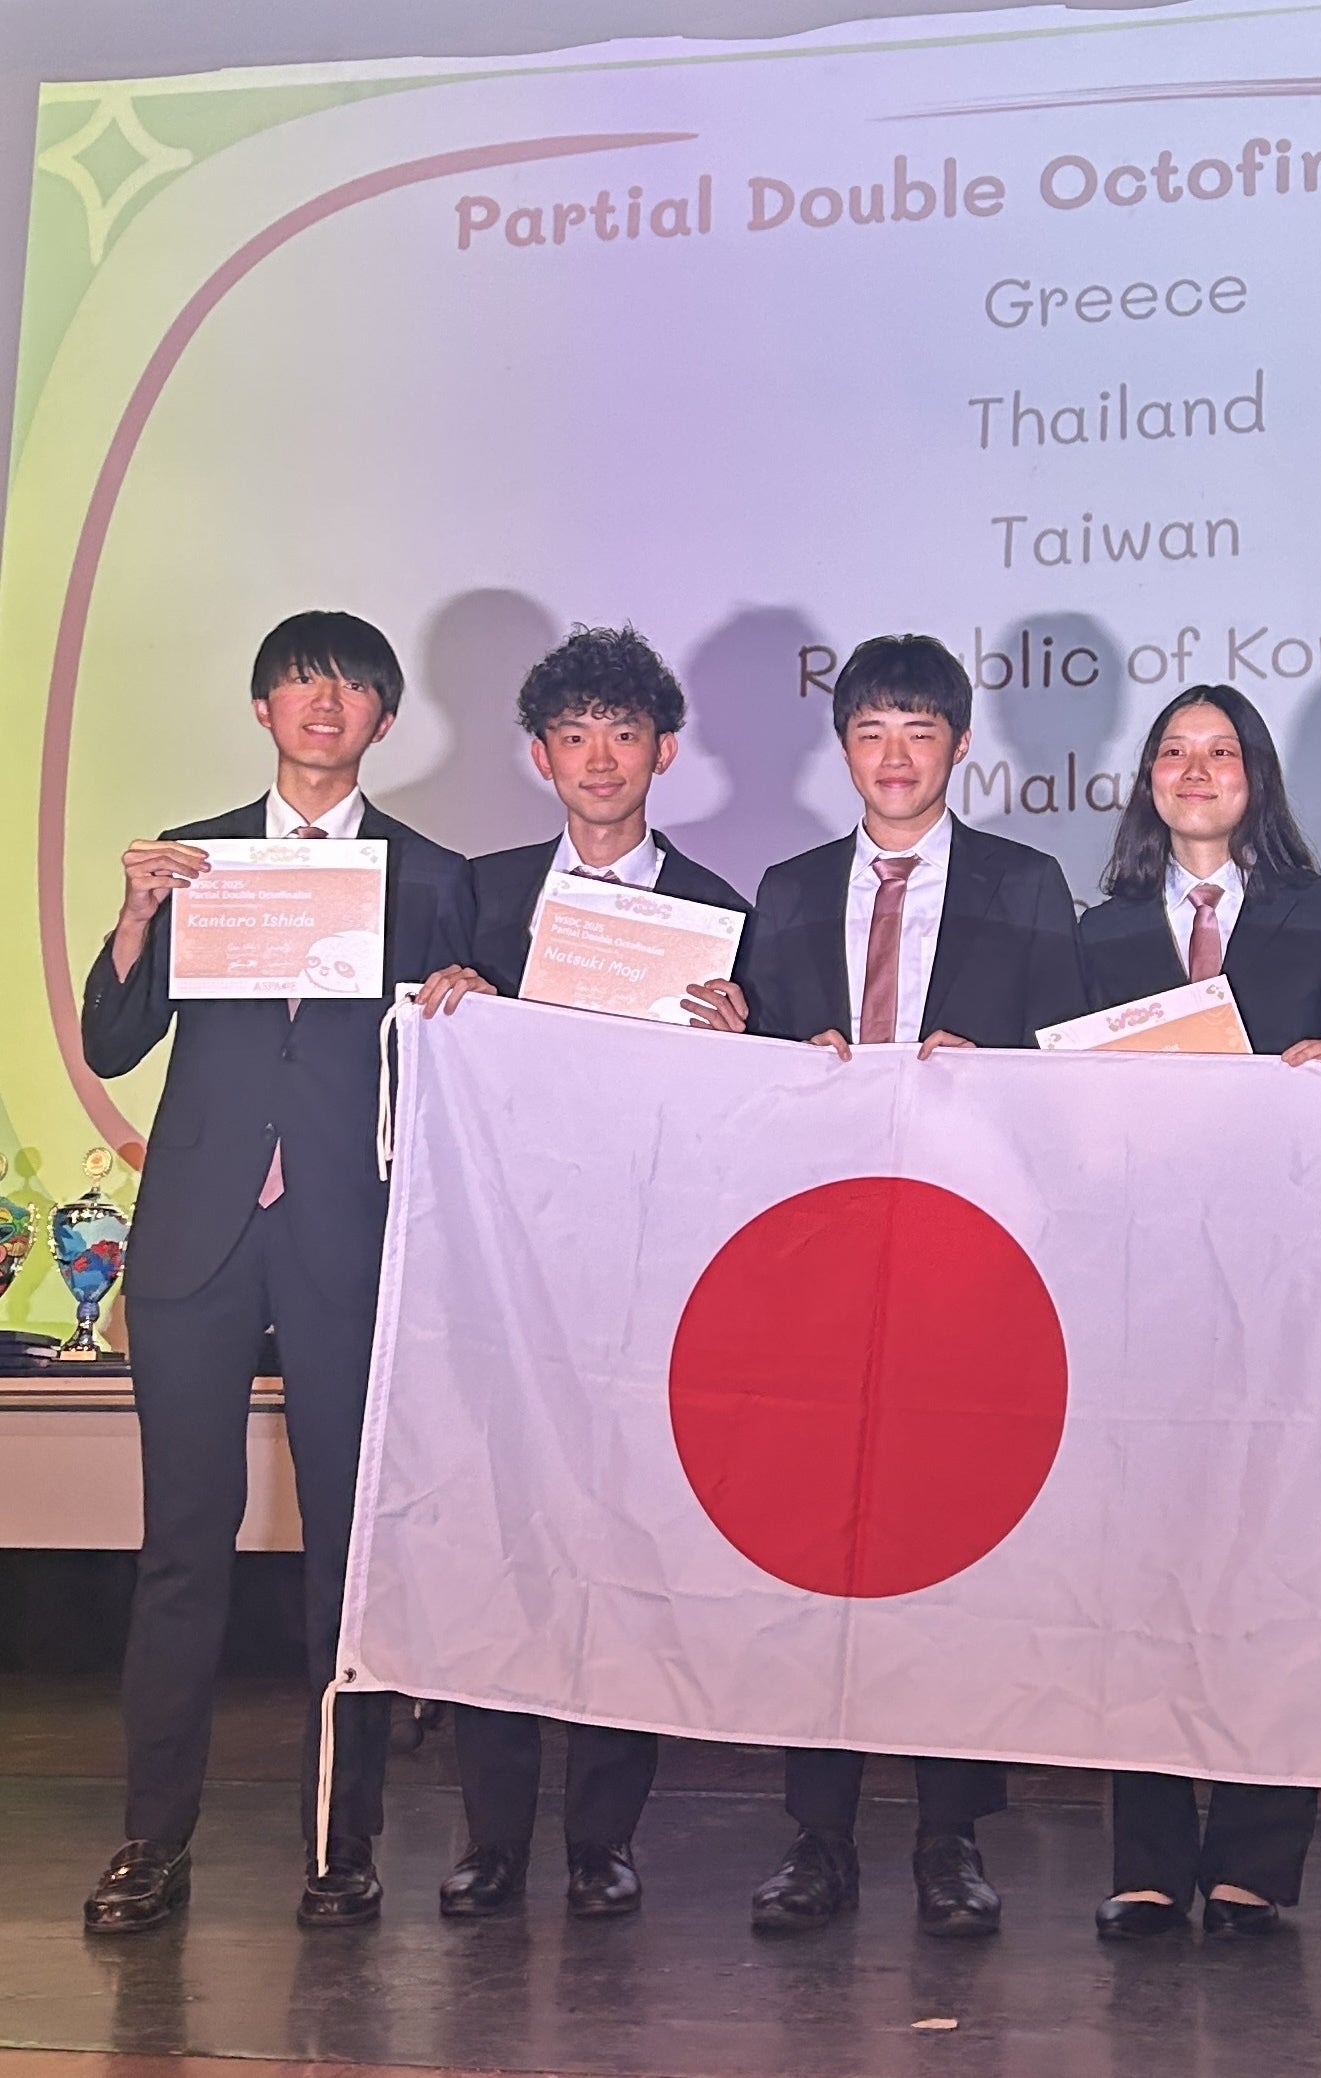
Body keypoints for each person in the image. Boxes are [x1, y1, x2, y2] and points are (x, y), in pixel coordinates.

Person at [78, 612, 474, 1933]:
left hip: (345, 1232)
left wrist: (464, 1004)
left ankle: (339, 1842)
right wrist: (137, 916)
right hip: (198, 1233)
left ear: (384, 720)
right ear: (263, 707)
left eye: (352, 686)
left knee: (346, 1557)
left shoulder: (433, 875)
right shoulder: (193, 856)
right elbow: (114, 1039)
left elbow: (453, 1066)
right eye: (301, 681)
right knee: (180, 1543)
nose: (324, 701)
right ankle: (151, 1838)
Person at [737, 632, 1086, 1938]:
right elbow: (751, 1076)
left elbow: (1072, 1067)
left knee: (951, 1540)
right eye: (872, 732)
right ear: (843, 747)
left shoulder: (1025, 884)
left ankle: (951, 1836)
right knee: (813, 1546)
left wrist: (989, 1065)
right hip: (819, 1260)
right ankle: (816, 1833)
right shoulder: (784, 889)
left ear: (959, 744)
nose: (895, 756)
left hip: (964, 1249)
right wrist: (770, 1046)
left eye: (919, 731)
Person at [415, 623, 748, 1920]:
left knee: (623, 1543)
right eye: (572, 735)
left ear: (664, 751)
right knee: (499, 1542)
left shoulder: (723, 908)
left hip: (647, 1276)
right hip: (504, 1270)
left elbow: (750, 1119)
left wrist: (744, 1035)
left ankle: (604, 1835)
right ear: (538, 756)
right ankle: (492, 1833)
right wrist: (445, 998)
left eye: (622, 733)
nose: (597, 757)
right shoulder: (481, 893)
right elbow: (429, 1066)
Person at [1077, 683, 1321, 1941]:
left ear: (1257, 776)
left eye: (1220, 751)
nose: (1195, 770)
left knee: (1271, 1552)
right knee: (1141, 1568)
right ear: (1146, 778)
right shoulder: (1095, 928)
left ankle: (1256, 1852)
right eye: (1172, 751)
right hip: (1136, 1283)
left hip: (1278, 1281)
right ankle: (1145, 1855)